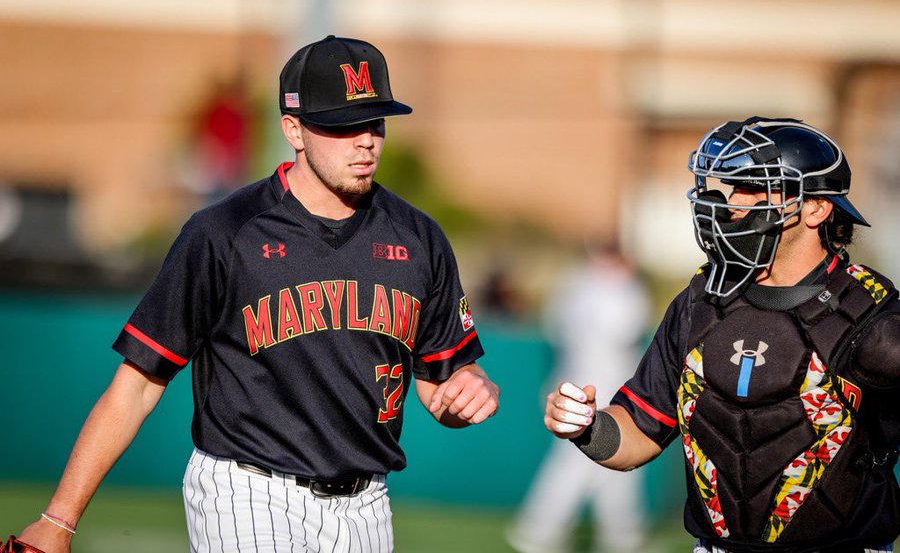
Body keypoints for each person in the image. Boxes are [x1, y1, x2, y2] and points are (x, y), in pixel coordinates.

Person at [12, 35, 500, 553]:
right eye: (343, 124)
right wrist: (58, 521)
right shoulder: (225, 232)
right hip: (247, 490)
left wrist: (470, 389)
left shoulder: (419, 238)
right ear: (293, 129)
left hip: (367, 505)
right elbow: (137, 385)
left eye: (375, 121)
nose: (366, 141)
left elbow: (441, 383)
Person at [545, 116, 900, 553]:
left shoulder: (872, 315)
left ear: (816, 208)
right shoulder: (701, 301)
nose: (733, 202)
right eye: (732, 187)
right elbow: (639, 431)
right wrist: (586, 426)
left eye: (755, 187)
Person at [508, 239, 650, 552]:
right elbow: (629, 330)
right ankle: (538, 531)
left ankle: (622, 537)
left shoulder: (575, 284)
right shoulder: (621, 291)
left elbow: (555, 328)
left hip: (569, 381)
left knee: (614, 467)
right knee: (579, 465)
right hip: (601, 389)